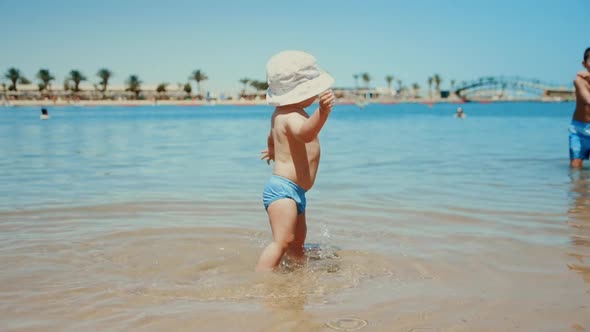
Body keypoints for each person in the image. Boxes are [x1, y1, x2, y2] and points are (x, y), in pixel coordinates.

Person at [256, 50, 335, 272]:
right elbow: (305, 134)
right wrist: (323, 112)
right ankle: (262, 279)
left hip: (296, 192)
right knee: (282, 241)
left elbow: (272, 135)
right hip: (283, 190)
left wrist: (272, 149)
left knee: (297, 243)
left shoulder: (280, 114)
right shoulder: (292, 116)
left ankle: (297, 276)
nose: (316, 95)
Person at [569, 47, 590, 168]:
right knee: (576, 166)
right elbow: (588, 99)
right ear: (584, 63)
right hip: (579, 129)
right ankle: (578, 186)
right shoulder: (579, 80)